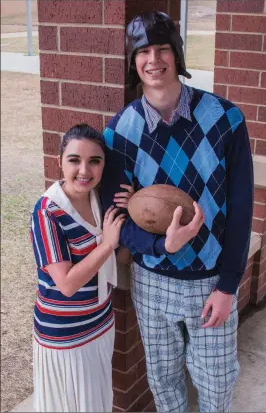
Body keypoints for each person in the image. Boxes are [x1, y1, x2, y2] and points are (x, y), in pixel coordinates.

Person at [100, 11, 254, 413]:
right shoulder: (120, 131)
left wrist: (228, 285)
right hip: (151, 281)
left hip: (211, 281)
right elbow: (115, 219)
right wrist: (158, 243)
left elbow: (241, 208)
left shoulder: (226, 119)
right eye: (143, 51)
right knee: (164, 381)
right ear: (133, 62)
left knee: (217, 384)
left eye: (162, 48)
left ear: (177, 53)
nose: (154, 59)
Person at [30, 124, 134, 412]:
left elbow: (121, 259)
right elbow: (66, 284)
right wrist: (107, 244)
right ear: (59, 161)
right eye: (74, 160)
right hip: (64, 335)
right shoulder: (46, 213)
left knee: (97, 404)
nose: (84, 170)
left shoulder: (99, 200)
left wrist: (136, 212)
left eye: (94, 161)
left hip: (100, 322)